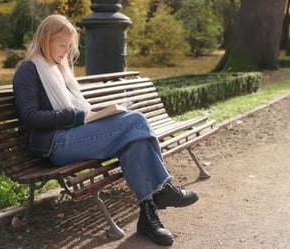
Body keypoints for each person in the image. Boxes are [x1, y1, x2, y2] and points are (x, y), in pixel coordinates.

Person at [12, 14, 199, 246]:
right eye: (62, 45)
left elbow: (77, 107)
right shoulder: (29, 70)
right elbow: (31, 118)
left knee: (134, 139)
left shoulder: (58, 69)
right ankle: (163, 189)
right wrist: (79, 116)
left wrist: (97, 112)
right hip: (54, 144)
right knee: (135, 122)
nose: (66, 51)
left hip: (74, 135)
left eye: (69, 46)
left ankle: (148, 215)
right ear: (46, 39)